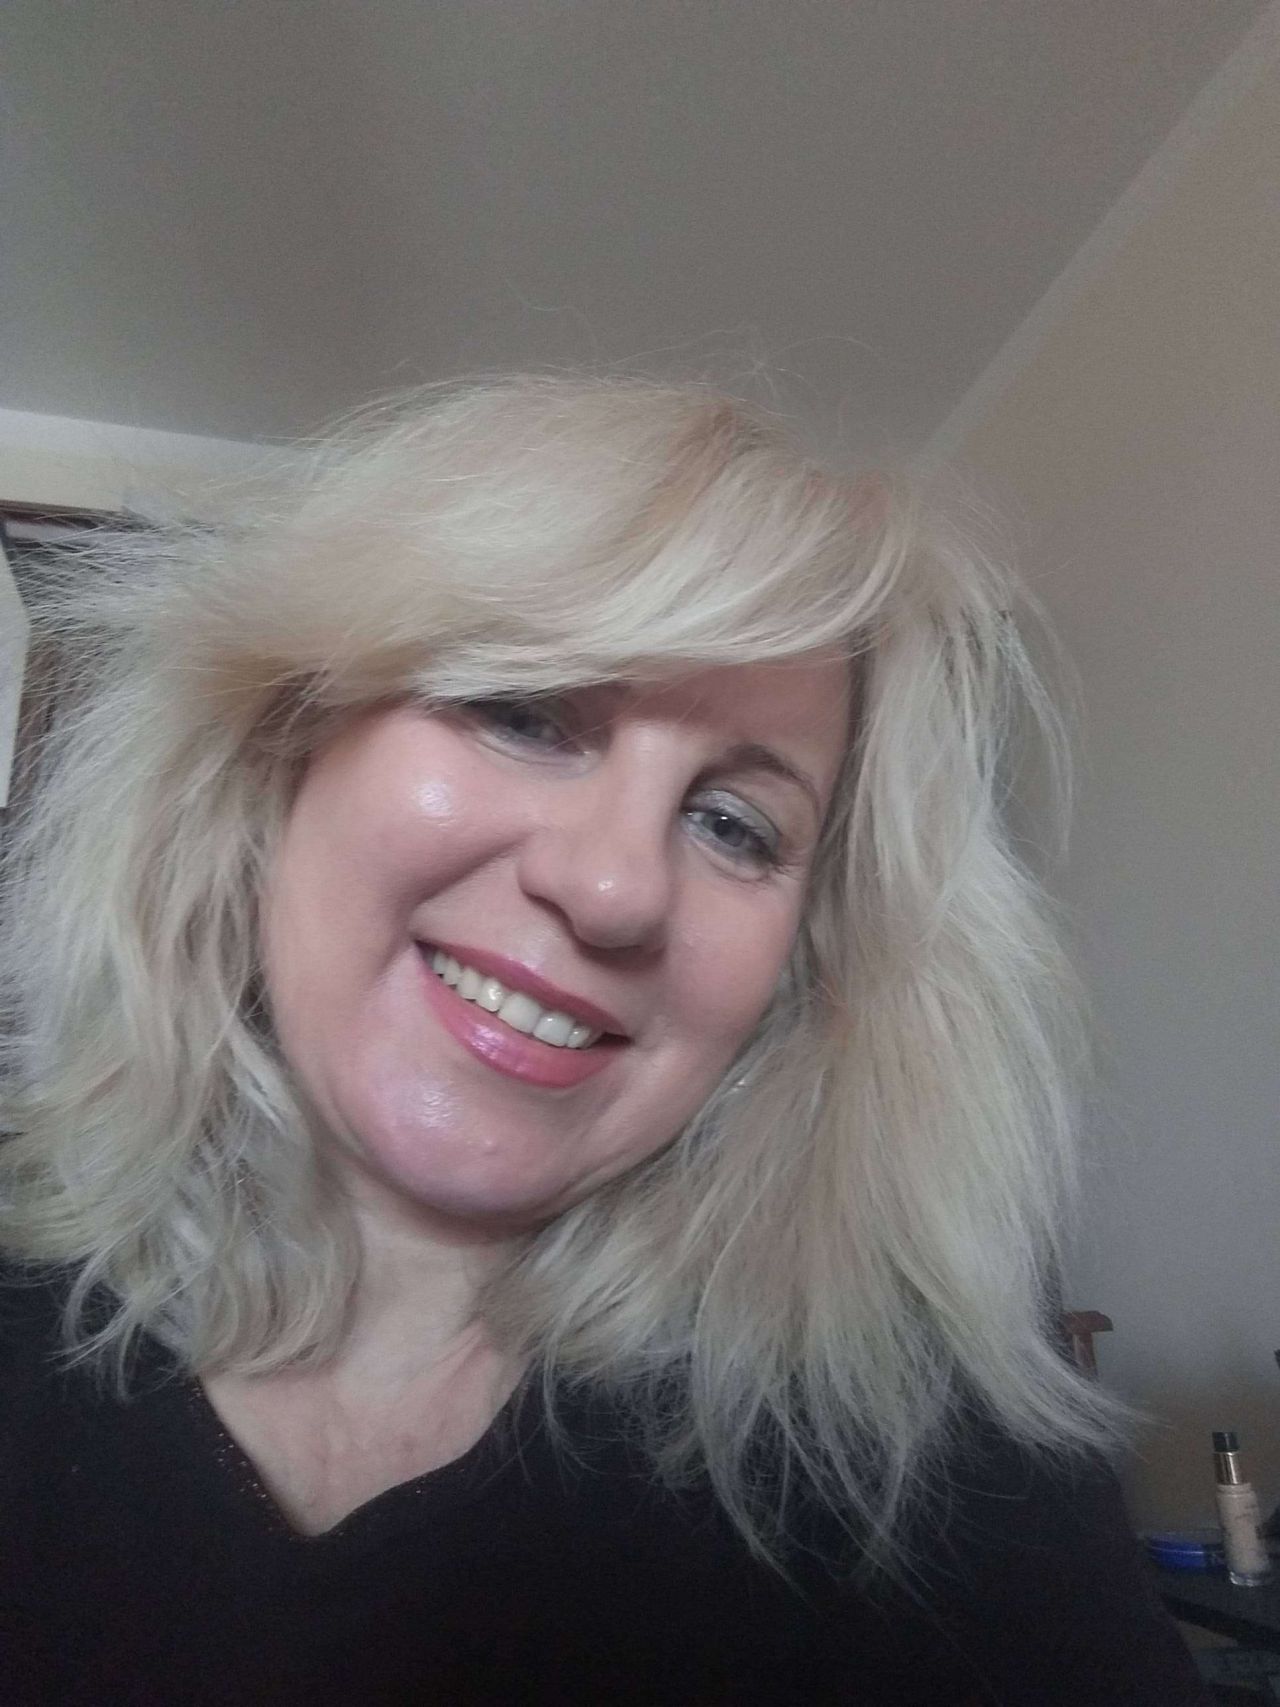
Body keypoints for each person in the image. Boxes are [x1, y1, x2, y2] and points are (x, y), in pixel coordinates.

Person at [0, 375, 1206, 1704]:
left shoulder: (924, 1447)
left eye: (734, 826)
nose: (616, 887)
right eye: (524, 712)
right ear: (280, 746)